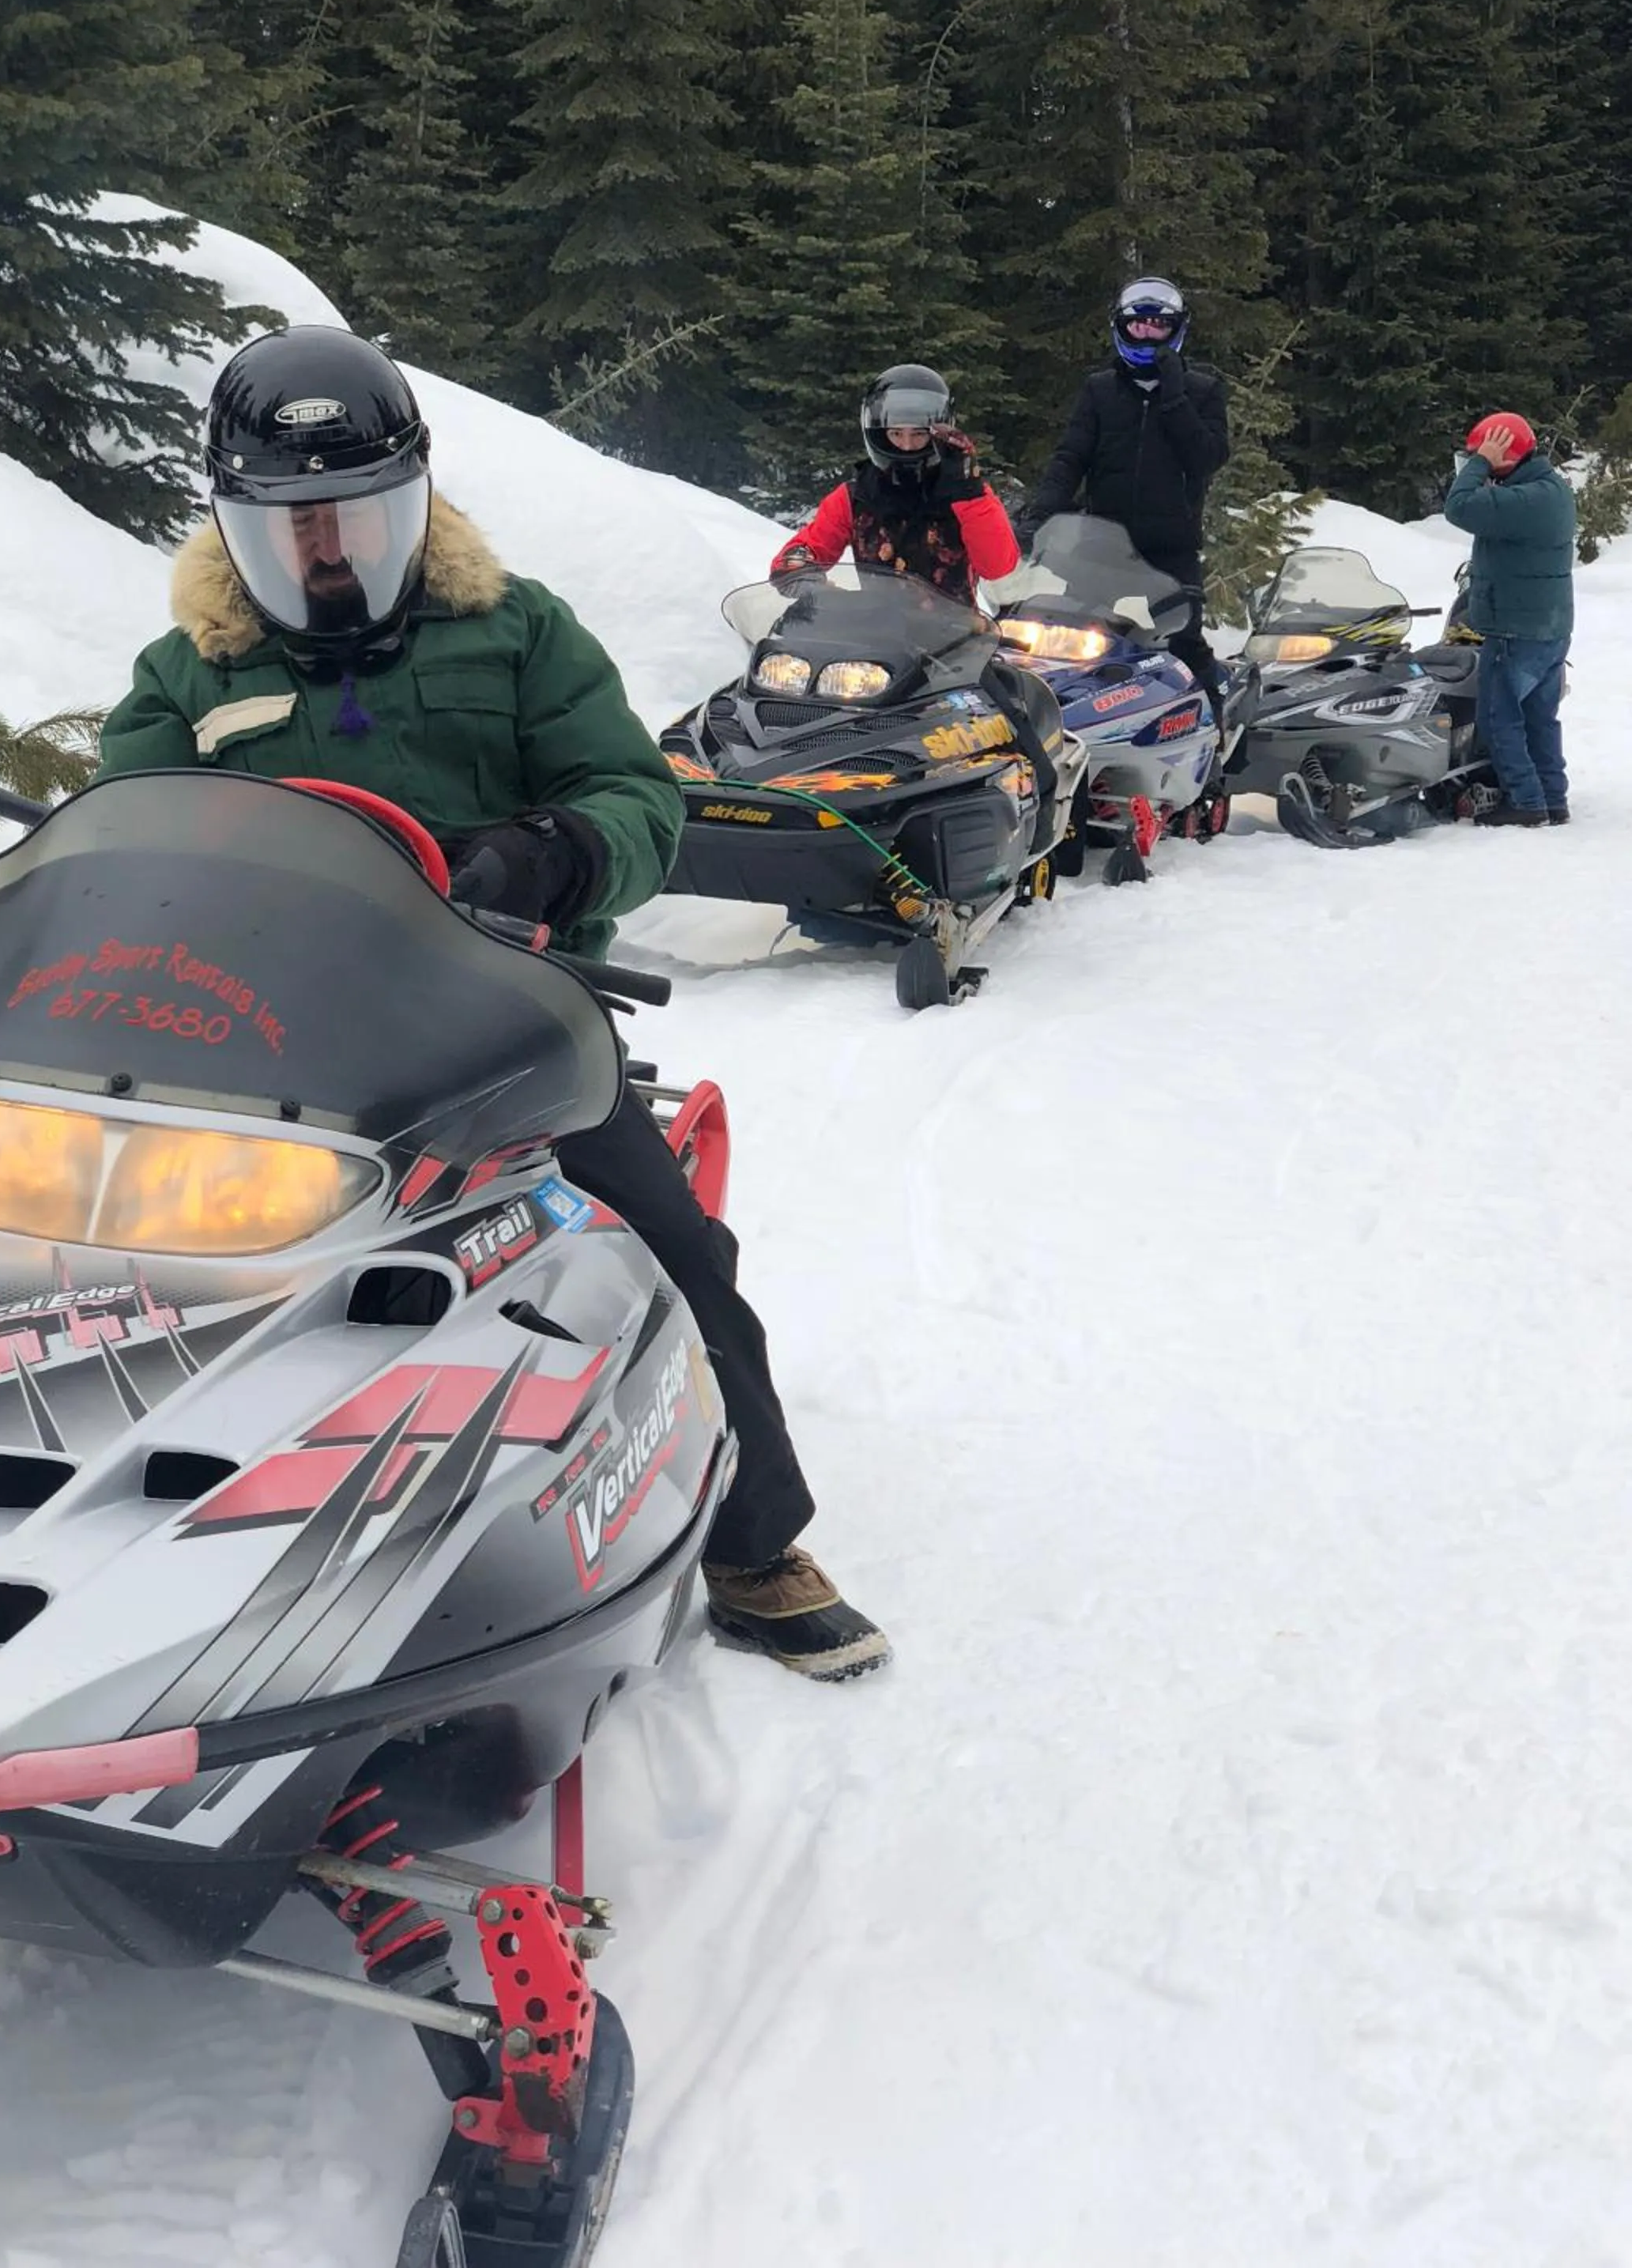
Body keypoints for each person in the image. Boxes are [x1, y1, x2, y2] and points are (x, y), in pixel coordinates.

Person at [96, 325, 889, 1682]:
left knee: (670, 1255)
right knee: (122, 1272)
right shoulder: (190, 673)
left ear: (415, 502)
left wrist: (559, 852)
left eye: (356, 517)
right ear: (234, 526)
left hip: (508, 1022)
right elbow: (128, 836)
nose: (326, 550)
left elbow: (634, 793)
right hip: (266, 1042)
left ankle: (752, 1548)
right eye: (291, 527)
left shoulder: (518, 632)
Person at [1015, 277, 1230, 698]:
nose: (1147, 334)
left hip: (1170, 550)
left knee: (1185, 648)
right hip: (1102, 545)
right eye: (1138, 325)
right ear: (1122, 327)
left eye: (1158, 326)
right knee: (1066, 639)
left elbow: (1207, 458)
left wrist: (1174, 399)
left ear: (1176, 330)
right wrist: (1040, 516)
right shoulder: (1100, 390)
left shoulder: (1203, 391)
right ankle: (1062, 719)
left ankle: (1218, 725)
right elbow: (1070, 458)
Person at [771, 364, 1022, 601]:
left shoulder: (965, 493)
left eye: (919, 434)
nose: (907, 445)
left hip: (955, 629)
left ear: (937, 434)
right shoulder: (857, 496)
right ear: (880, 435)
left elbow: (998, 566)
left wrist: (970, 492)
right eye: (896, 433)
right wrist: (801, 573)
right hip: (876, 626)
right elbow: (806, 547)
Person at [1443, 411, 1575, 828]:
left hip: (1515, 628)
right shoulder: (1549, 489)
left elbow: (1459, 506)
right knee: (1539, 719)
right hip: (1548, 627)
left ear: (1505, 455)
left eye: (1480, 455)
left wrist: (1482, 461)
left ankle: (1525, 801)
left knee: (1499, 718)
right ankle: (1552, 798)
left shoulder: (1526, 499)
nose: (1474, 464)